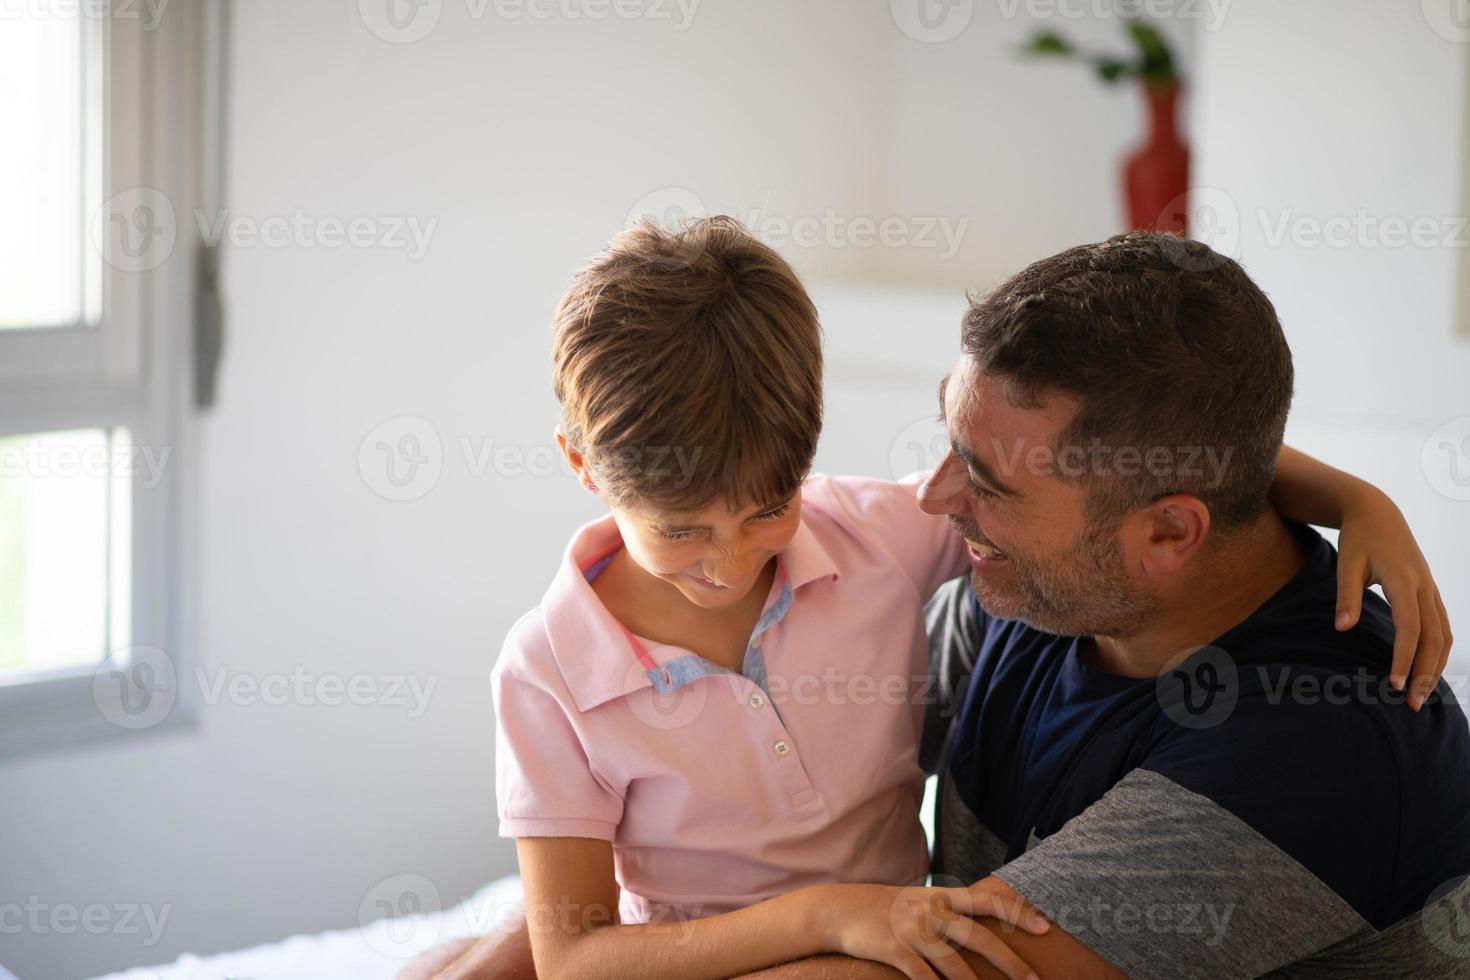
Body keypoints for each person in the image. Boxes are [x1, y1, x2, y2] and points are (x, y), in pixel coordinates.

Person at [418, 222, 1453, 980]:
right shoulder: (1023, 591)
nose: (931, 499)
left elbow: (909, 966)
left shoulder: (1313, 745)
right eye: (950, 446)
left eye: (987, 483)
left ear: (1169, 528)